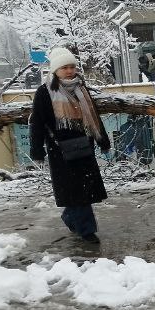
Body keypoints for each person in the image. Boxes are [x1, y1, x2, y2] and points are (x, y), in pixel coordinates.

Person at [30, 46, 112, 244]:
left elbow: (93, 117)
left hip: (84, 146)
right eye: (64, 67)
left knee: (83, 191)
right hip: (60, 150)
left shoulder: (80, 89)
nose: (69, 71)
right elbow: (37, 122)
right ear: (55, 70)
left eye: (72, 67)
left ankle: (69, 217)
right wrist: (37, 150)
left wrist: (103, 140)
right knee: (77, 192)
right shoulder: (45, 92)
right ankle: (87, 231)